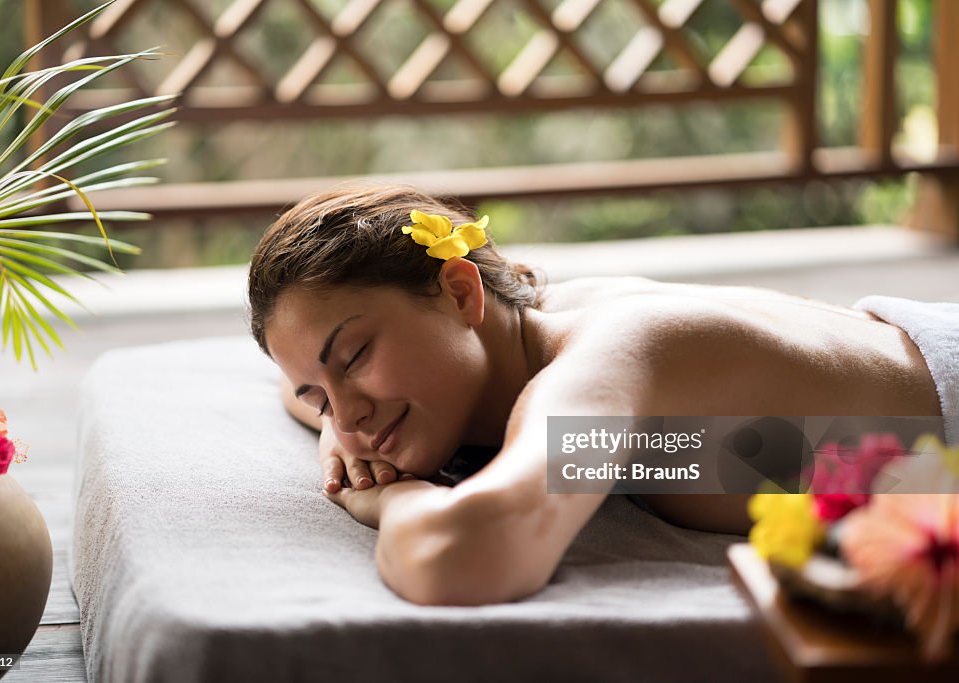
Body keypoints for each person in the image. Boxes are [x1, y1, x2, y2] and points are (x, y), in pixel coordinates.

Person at [247, 184, 946, 606]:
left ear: (460, 290)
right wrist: (342, 423)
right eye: (321, 396)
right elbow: (294, 379)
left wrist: (390, 495)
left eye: (358, 355)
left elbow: (461, 556)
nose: (347, 409)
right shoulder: (528, 313)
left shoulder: (605, 361)